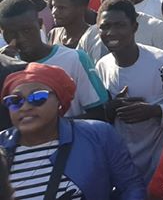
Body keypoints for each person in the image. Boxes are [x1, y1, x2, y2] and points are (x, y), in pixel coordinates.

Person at [0, 63, 146, 199]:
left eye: (37, 97)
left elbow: (131, 187)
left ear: (59, 101)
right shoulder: (2, 148)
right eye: (14, 101)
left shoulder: (98, 134)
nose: (25, 107)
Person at [95, 0, 163, 183]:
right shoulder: (102, 66)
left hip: (160, 162)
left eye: (120, 25)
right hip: (123, 166)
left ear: (134, 27)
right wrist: (112, 107)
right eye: (105, 27)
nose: (111, 32)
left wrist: (154, 111)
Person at [0, 0, 107, 118]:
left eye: (27, 30)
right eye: (11, 33)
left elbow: (99, 113)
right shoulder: (5, 67)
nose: (20, 38)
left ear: (40, 24)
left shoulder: (74, 59)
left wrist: (51, 128)